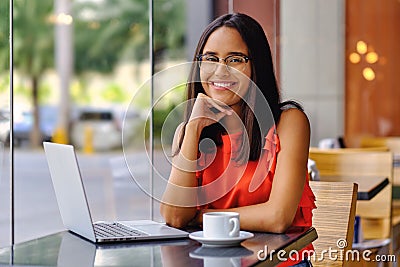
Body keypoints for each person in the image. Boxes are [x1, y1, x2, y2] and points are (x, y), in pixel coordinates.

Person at [160, 13, 315, 266]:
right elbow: (175, 217)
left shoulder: (289, 122)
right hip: (214, 261)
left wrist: (201, 217)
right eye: (211, 58)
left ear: (257, 65)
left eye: (235, 59)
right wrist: (194, 128)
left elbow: (277, 217)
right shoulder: (189, 132)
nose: (221, 70)